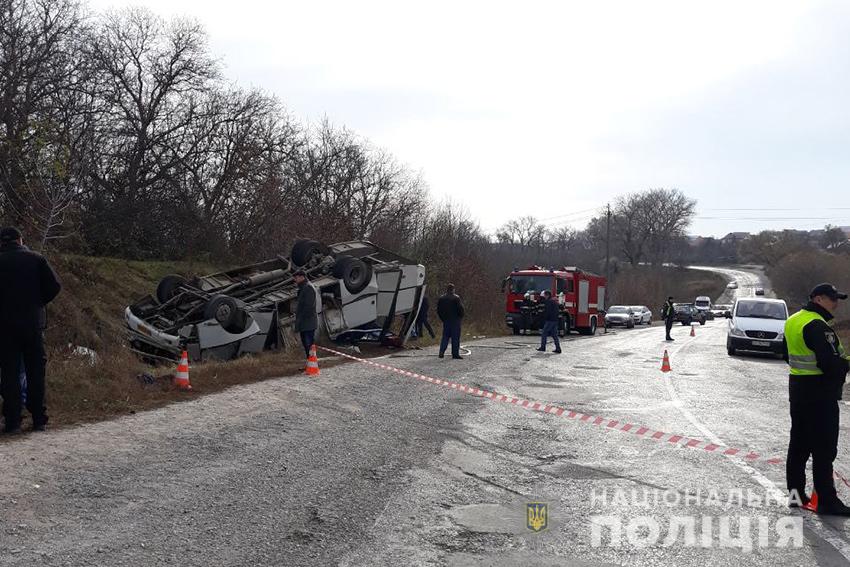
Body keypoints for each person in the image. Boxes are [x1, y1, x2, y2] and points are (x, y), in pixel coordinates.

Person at [784, 283, 850, 515]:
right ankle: (826, 501)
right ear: (819, 299)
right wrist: (846, 364)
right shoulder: (817, 325)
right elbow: (830, 364)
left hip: (799, 389)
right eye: (833, 299)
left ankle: (796, 495)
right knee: (823, 449)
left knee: (799, 445)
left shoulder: (794, 320)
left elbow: (786, 354)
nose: (836, 304)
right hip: (820, 394)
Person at [0, 227, 61, 433]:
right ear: (20, 239)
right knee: (36, 371)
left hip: (5, 326)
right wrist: (38, 303)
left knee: (9, 373)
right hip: (33, 324)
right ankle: (38, 419)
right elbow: (54, 286)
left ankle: (13, 422)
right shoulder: (36, 259)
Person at [293, 270, 318, 358]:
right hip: (304, 322)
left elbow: (309, 306)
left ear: (302, 277)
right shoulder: (302, 288)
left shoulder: (308, 288)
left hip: (308, 322)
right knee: (306, 344)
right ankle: (310, 364)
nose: (295, 280)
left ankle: (312, 364)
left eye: (296, 278)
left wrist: (301, 318)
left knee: (309, 344)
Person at [437, 283, 465, 359]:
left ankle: (441, 352)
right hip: (455, 320)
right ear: (453, 289)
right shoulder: (456, 298)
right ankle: (455, 354)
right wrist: (461, 317)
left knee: (445, 337)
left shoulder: (441, 298)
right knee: (455, 338)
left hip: (446, 320)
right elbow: (461, 309)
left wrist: (442, 318)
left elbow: (438, 310)